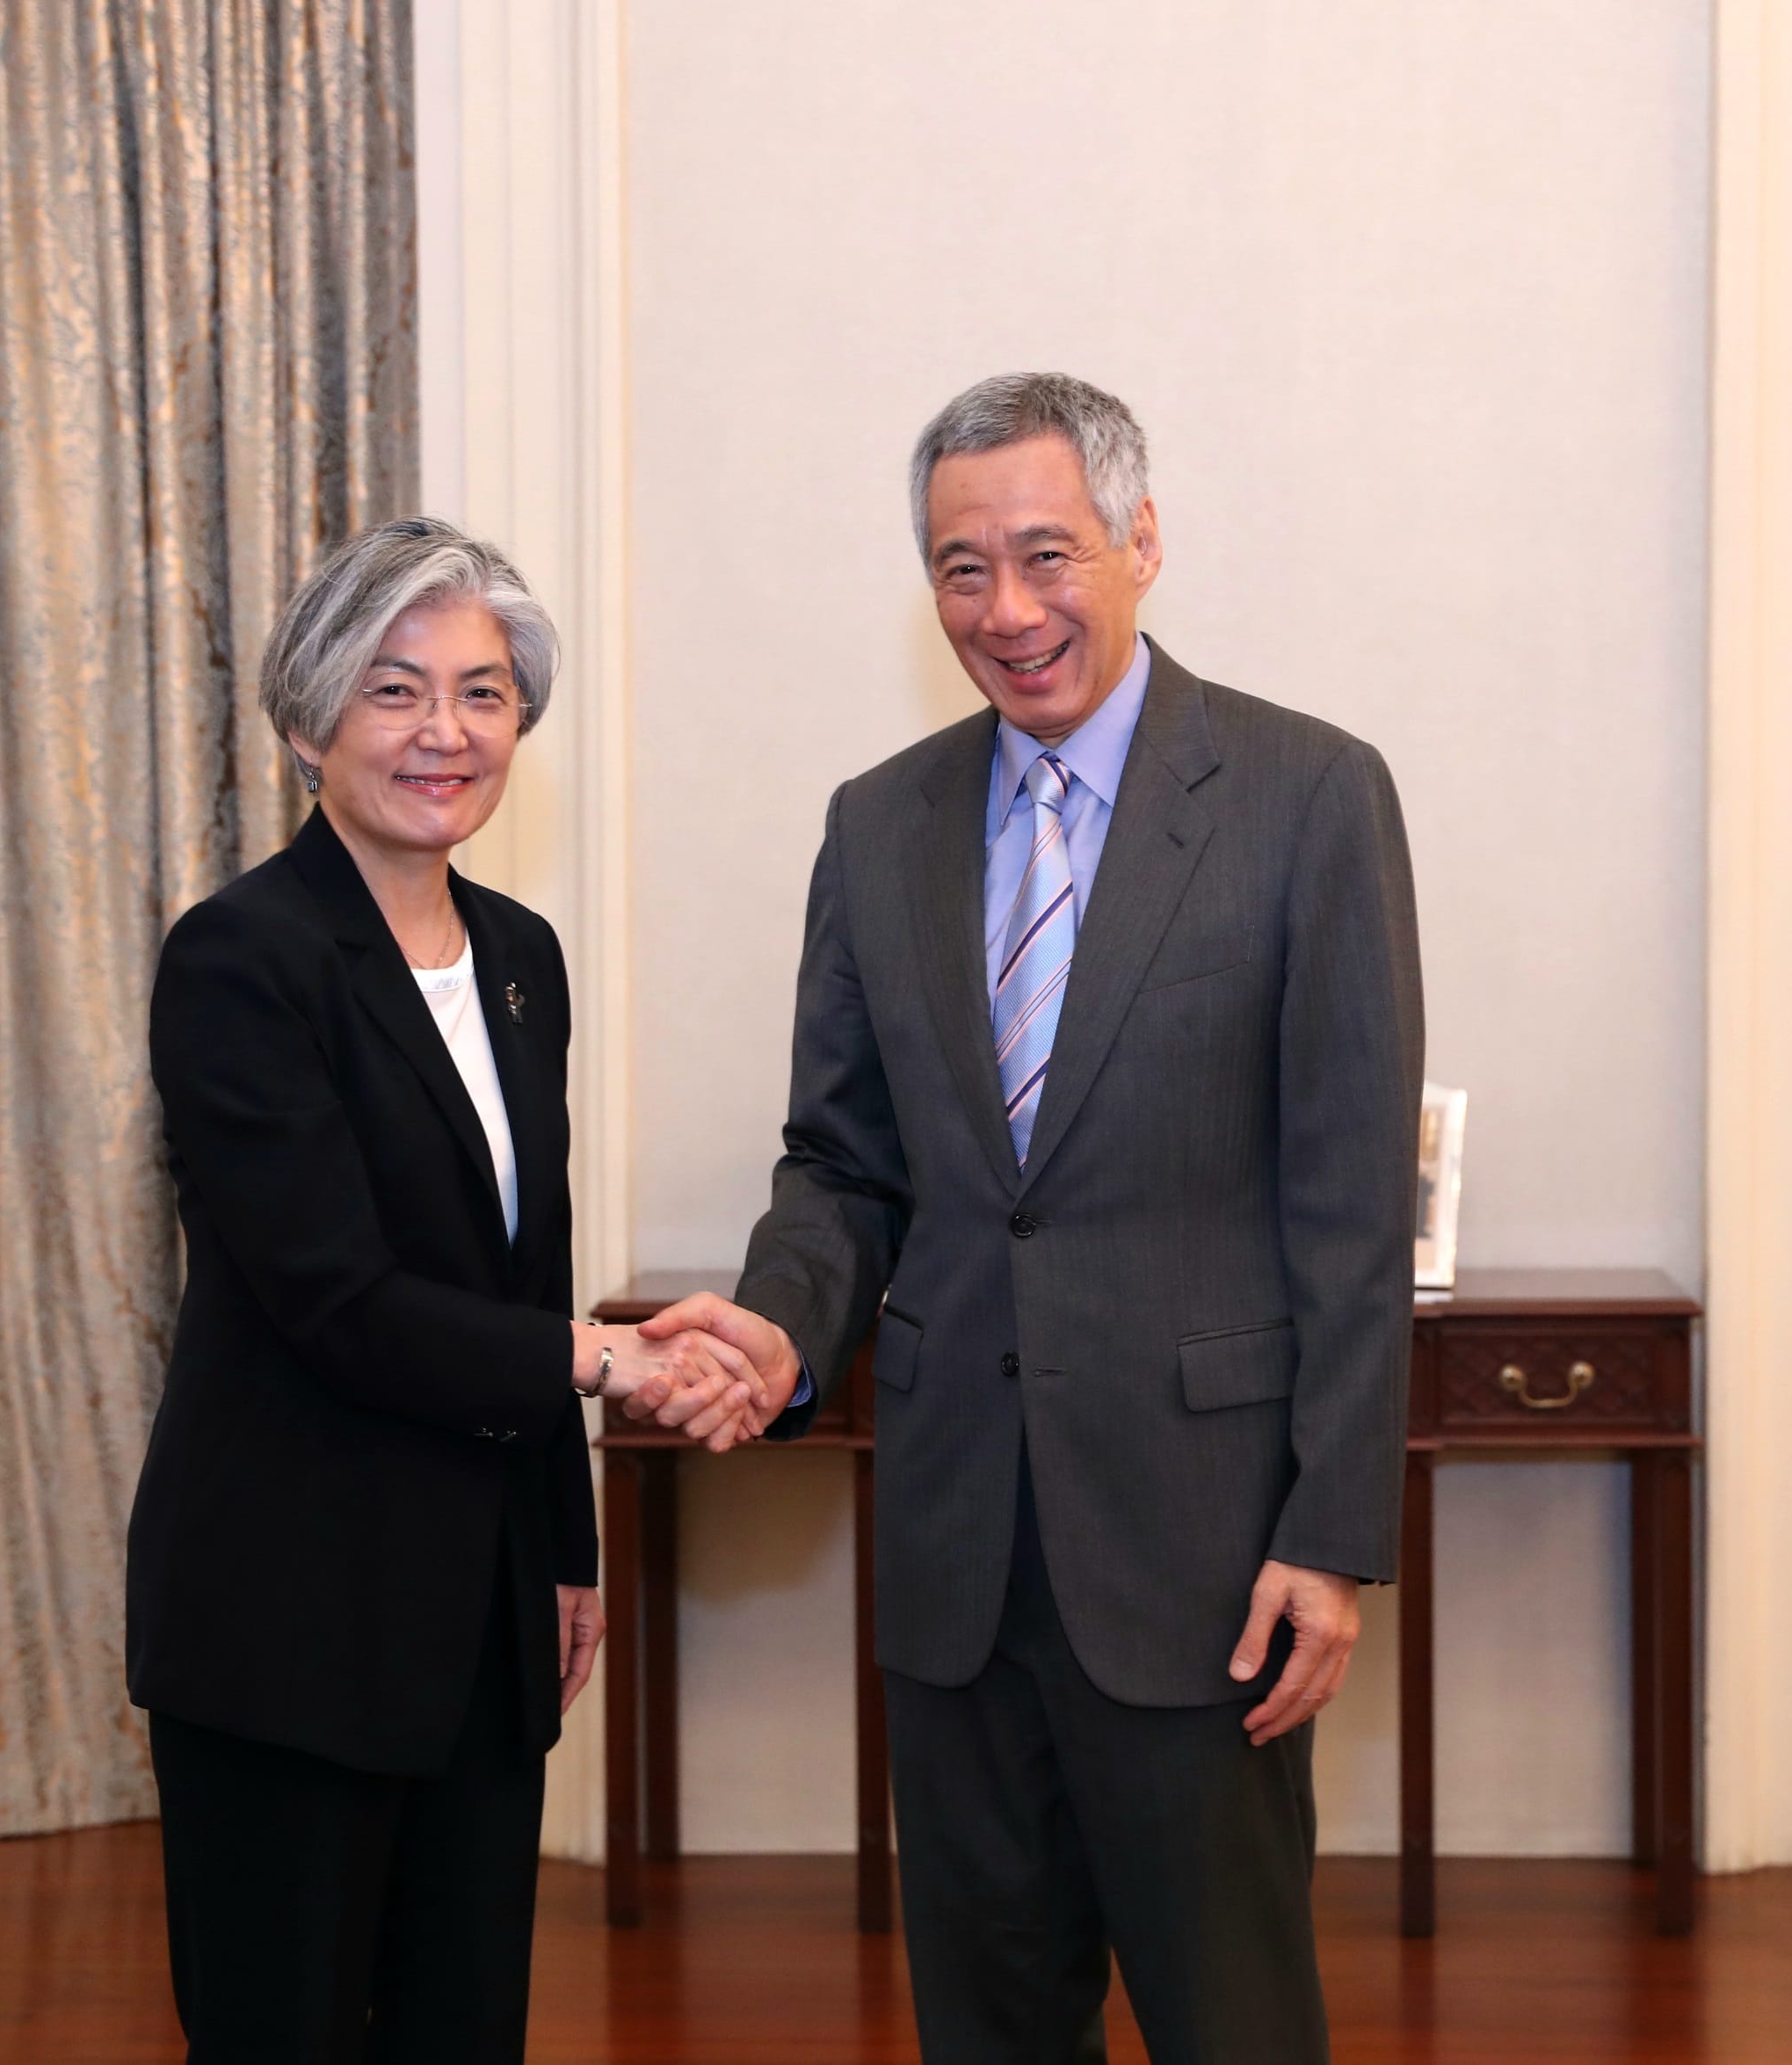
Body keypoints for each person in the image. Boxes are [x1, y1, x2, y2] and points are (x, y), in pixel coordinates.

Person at [634, 374, 1425, 2064]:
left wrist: (1335, 1531)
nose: (1006, 608)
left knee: (1235, 2024)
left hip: (1203, 1553)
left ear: (1142, 540)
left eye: (1046, 554)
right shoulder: (878, 823)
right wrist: (777, 1325)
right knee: (986, 2028)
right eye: (961, 567)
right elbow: (844, 1162)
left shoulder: (1308, 795)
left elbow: (1351, 1203)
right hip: (955, 1554)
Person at [127, 517, 755, 2062]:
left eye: (483, 693)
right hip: (288, 1615)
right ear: (308, 720)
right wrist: (611, 1364)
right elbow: (334, 1298)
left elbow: (521, 1268)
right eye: (395, 689)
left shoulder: (521, 955)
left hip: (479, 1615)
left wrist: (564, 1545)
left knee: (464, 2027)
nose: (445, 732)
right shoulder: (241, 957)